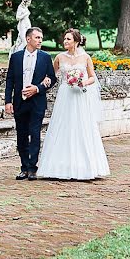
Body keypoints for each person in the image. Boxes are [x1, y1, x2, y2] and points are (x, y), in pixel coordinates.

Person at [37, 28, 110, 180]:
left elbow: (92, 78)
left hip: (79, 96)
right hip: (65, 94)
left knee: (81, 127)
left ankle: (84, 166)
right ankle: (58, 166)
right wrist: (42, 84)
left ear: (76, 41)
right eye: (64, 39)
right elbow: (51, 75)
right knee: (62, 126)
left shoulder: (85, 58)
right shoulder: (59, 57)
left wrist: (83, 82)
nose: (65, 41)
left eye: (68, 39)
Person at [5, 26, 57, 180]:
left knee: (34, 134)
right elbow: (10, 80)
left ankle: (33, 168)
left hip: (37, 102)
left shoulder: (45, 57)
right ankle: (24, 168)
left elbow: (52, 78)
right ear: (28, 39)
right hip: (20, 102)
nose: (40, 40)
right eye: (37, 37)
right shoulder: (15, 57)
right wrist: (8, 101)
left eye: (41, 38)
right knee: (21, 135)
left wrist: (38, 88)